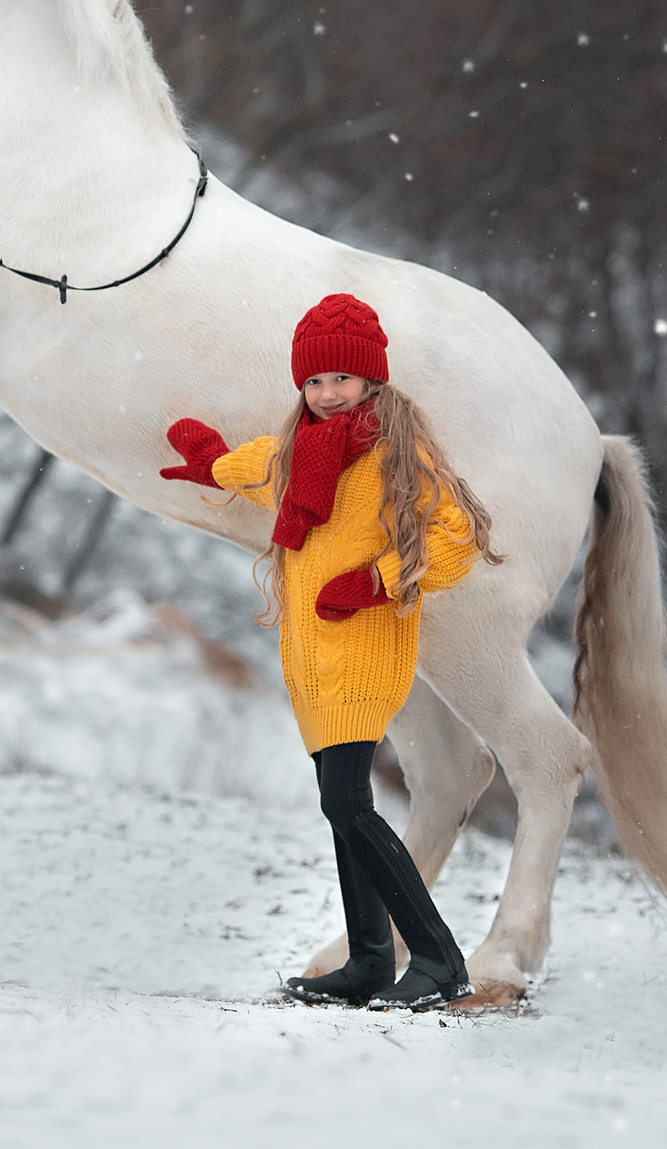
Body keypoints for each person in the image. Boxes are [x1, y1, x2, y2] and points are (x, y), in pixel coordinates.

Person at [160, 292, 500, 1009]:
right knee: (339, 804)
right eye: (314, 381)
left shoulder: (398, 452)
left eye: (341, 377)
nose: (327, 393)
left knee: (348, 801)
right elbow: (261, 464)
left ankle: (439, 957)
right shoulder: (304, 448)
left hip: (363, 647)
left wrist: (377, 581)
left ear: (372, 377)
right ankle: (370, 959)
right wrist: (214, 463)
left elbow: (455, 535)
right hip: (309, 653)